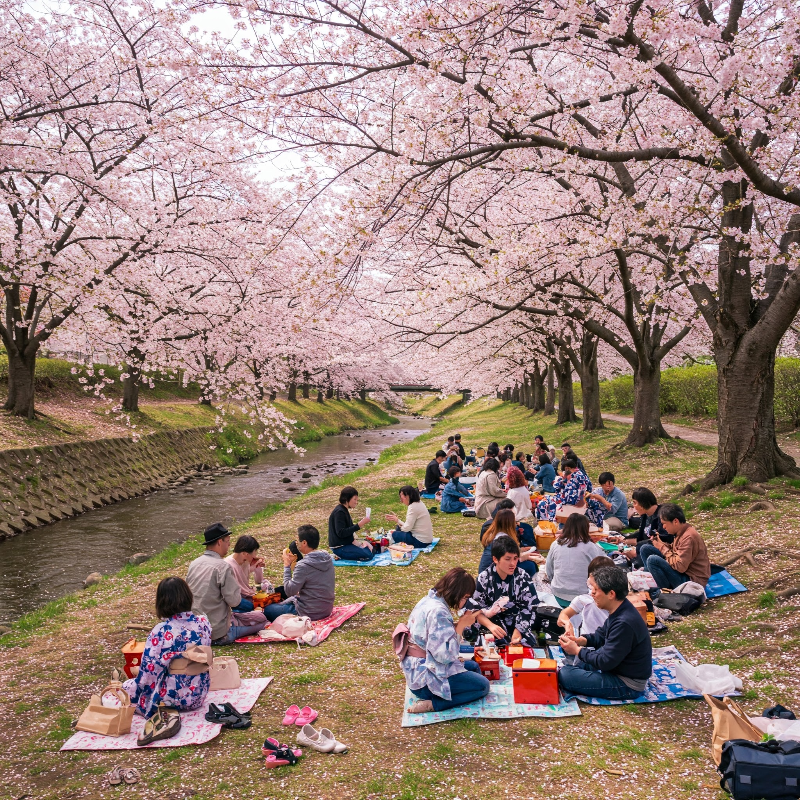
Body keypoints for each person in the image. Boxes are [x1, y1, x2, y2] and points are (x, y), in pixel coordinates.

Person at [557, 566, 653, 700]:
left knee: (566, 675)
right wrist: (580, 640)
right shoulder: (621, 608)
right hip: (615, 667)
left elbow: (605, 661)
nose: (592, 593)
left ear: (611, 594)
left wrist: (578, 650)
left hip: (626, 684)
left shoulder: (624, 622)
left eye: (595, 590)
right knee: (573, 659)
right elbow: (601, 635)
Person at [403, 568, 489, 714]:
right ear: (457, 593)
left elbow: (435, 635)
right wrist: (461, 625)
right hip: (425, 680)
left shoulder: (429, 600)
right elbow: (445, 657)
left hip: (418, 669)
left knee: (474, 666)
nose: (465, 602)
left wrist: (459, 625)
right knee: (483, 686)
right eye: (465, 597)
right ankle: (434, 704)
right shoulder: (438, 612)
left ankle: (461, 690)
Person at [124, 577, 212, 719]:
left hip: (171, 698)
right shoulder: (203, 623)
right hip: (198, 693)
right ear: (188, 596)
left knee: (127, 687)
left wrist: (135, 687)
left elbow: (149, 672)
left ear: (162, 602)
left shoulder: (162, 631)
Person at [186, 523, 266, 645]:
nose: (229, 545)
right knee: (263, 622)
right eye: (227, 542)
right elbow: (234, 601)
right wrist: (253, 607)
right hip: (217, 632)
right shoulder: (223, 566)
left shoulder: (194, 563)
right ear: (219, 542)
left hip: (196, 628)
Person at [467, 536, 540, 646]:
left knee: (526, 646)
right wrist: (491, 626)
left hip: (517, 623)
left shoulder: (523, 577)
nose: (512, 563)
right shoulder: (484, 578)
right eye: (507, 559)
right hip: (490, 624)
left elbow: (531, 606)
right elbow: (475, 609)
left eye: (515, 558)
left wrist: (519, 630)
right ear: (495, 559)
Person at [265, 524, 335, 622]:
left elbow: (289, 591)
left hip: (309, 612)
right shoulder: (327, 557)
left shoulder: (303, 565)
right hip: (326, 609)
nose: (296, 542)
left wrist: (287, 565)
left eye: (298, 540)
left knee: (268, 610)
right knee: (285, 601)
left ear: (304, 543)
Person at [639, 504, 711, 589]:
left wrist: (662, 548)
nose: (663, 527)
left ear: (675, 521)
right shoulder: (680, 532)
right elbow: (674, 551)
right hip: (682, 572)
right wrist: (659, 542)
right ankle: (651, 580)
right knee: (645, 549)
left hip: (691, 580)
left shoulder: (689, 537)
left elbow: (680, 567)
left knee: (652, 560)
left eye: (664, 523)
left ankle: (664, 591)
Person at [545, 514, 605, 608]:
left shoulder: (555, 544)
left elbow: (549, 569)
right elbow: (604, 567)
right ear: (586, 528)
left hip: (558, 595)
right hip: (583, 596)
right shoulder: (590, 547)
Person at [557, 556, 614, 636]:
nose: (593, 593)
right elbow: (564, 614)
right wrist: (568, 624)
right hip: (588, 641)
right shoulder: (584, 600)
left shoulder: (617, 601)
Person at [535, 458, 604, 526]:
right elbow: (589, 488)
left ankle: (547, 524)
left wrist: (560, 481)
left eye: (565, 469)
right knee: (544, 500)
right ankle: (547, 523)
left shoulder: (574, 477)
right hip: (575, 500)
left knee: (543, 503)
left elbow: (567, 496)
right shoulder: (581, 475)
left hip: (571, 502)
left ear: (568, 468)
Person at [612, 487, 669, 563]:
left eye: (635, 503)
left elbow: (659, 541)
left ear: (642, 503)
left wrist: (636, 549)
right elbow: (641, 534)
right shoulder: (646, 515)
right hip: (642, 547)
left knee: (626, 559)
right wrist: (624, 539)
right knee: (619, 551)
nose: (633, 506)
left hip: (656, 553)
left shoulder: (662, 517)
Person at [477, 508, 539, 577]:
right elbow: (508, 561)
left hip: (485, 572)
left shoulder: (493, 535)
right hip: (493, 575)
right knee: (530, 566)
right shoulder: (504, 539)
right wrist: (525, 557)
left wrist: (523, 550)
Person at [328, 486, 374, 561]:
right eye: (354, 499)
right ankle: (339, 555)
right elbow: (341, 533)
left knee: (372, 548)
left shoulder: (344, 510)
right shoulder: (339, 512)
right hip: (340, 547)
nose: (356, 502)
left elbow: (349, 533)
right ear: (347, 499)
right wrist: (359, 524)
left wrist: (361, 544)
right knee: (368, 555)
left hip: (347, 544)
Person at [225, 535, 264, 612]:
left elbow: (258, 582)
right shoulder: (228, 565)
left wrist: (258, 567)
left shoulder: (245, 561)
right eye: (254, 553)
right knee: (252, 607)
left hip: (248, 594)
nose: (255, 556)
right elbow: (232, 594)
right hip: (238, 598)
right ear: (245, 554)